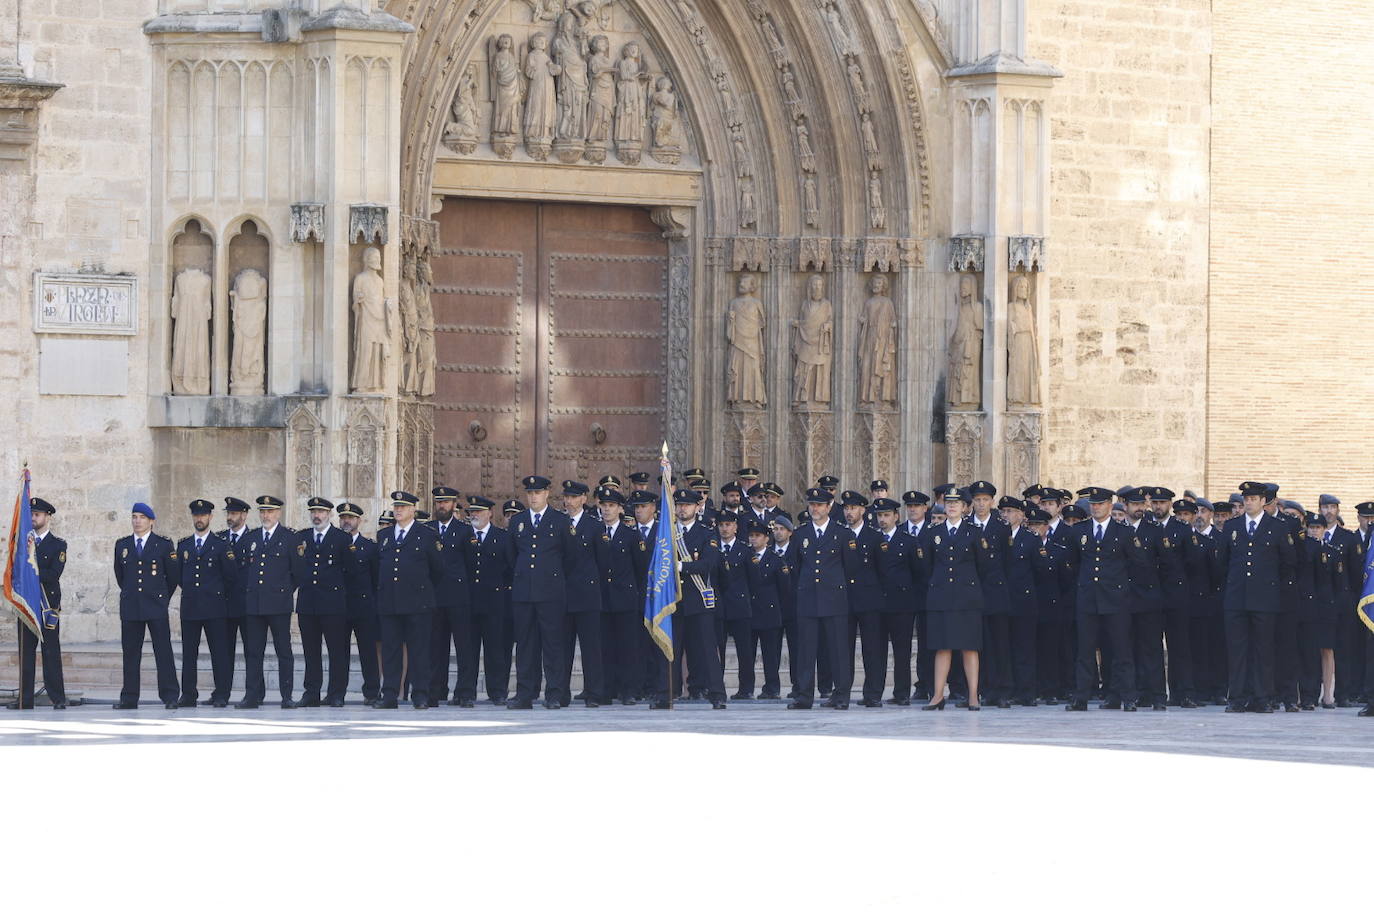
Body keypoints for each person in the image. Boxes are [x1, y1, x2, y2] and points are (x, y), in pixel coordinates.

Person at [1214, 481, 1297, 713]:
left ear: (1263, 501)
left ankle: (1262, 697)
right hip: (1236, 597)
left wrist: (1272, 588)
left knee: (1264, 649)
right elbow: (1222, 562)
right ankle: (1238, 697)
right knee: (1237, 649)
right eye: (1246, 499)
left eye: (1253, 499)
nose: (1248, 502)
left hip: (1265, 598)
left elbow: (1288, 563)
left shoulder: (1277, 527)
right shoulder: (1232, 526)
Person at [507, 475, 577, 709]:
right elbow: (511, 556)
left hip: (551, 594)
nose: (533, 496)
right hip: (524, 593)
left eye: (537, 492)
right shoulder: (517, 521)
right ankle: (525, 693)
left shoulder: (559, 521)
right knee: (526, 646)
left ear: (547, 493)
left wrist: (554, 580)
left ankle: (555, 693)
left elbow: (569, 557)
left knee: (553, 645)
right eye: (530, 493)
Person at [652, 488, 725, 709]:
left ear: (697, 507)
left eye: (687, 505)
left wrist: (681, 566)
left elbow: (709, 564)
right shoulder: (666, 532)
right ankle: (666, 694)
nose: (682, 509)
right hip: (672, 600)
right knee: (669, 649)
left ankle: (717, 695)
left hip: (698, 600)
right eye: (679, 505)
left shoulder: (706, 533)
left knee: (707, 650)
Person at [919, 488, 992, 710]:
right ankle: (938, 695)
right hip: (941, 597)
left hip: (966, 598)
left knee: (969, 648)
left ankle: (972, 696)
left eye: (956, 503)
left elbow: (983, 566)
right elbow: (927, 566)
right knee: (942, 648)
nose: (951, 507)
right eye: (948, 503)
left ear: (964, 507)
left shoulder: (974, 532)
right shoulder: (934, 532)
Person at [1065, 487, 1137, 711]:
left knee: (1120, 650)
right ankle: (1081, 697)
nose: (1096, 507)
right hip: (1088, 598)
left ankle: (1126, 697)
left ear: (1110, 505)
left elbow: (1135, 565)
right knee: (1085, 650)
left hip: (1115, 599)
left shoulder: (1123, 532)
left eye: (1100, 504)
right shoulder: (1079, 530)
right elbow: (1073, 562)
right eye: (1093, 504)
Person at [375, 491, 447, 709]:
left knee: (419, 651)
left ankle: (421, 693)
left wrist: (421, 590)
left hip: (418, 603)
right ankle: (389, 694)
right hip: (390, 602)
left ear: (413, 510)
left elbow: (438, 570)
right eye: (396, 506)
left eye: (403, 507)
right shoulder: (385, 536)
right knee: (391, 650)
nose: (398, 510)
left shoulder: (426, 535)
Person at [113, 502, 180, 709]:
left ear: (151, 521)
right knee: (131, 653)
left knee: (163, 652)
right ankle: (129, 697)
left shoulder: (163, 544)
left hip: (155, 606)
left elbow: (173, 576)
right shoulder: (122, 545)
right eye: (134, 517)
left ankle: (170, 696)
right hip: (131, 606)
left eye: (142, 517)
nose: (137, 521)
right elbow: (120, 576)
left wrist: (161, 598)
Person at [236, 496, 299, 709]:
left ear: (278, 513)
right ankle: (252, 696)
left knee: (284, 651)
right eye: (263, 511)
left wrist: (283, 591)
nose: (266, 515)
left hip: (279, 604)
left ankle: (287, 696)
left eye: (270, 511)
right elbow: (243, 570)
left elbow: (297, 572)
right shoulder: (251, 538)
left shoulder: (289, 538)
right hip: (254, 604)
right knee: (253, 652)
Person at [176, 499, 239, 708]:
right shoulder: (183, 545)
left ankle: (221, 694)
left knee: (219, 653)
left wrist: (216, 595)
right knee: (189, 654)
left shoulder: (221, 545)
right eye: (196, 515)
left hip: (215, 607)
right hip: (191, 607)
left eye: (203, 515)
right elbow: (178, 576)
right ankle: (188, 694)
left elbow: (230, 576)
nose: (199, 519)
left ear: (211, 517)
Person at [9, 496, 67, 710]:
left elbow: (53, 574)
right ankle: (25, 700)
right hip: (27, 605)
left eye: (37, 515)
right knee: (26, 653)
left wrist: (31, 567)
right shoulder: (22, 543)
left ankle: (58, 698)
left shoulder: (58, 545)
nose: (33, 518)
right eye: (31, 514)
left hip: (46, 607)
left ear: (47, 517)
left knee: (51, 652)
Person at [295, 497, 352, 707]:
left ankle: (336, 693)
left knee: (336, 651)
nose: (316, 516)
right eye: (313, 512)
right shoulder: (301, 537)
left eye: (321, 512)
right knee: (311, 652)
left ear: (329, 514)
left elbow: (350, 572)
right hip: (308, 603)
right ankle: (311, 692)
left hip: (333, 604)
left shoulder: (341, 539)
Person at [459, 496, 514, 706]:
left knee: (495, 650)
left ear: (490, 513)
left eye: (479, 511)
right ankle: (466, 692)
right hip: (469, 601)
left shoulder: (501, 537)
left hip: (494, 602)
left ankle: (497, 691)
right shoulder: (464, 536)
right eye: (472, 511)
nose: (475, 515)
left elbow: (510, 566)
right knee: (468, 650)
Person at [596, 488, 647, 705]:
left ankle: (628, 690)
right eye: (603, 506)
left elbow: (640, 568)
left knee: (628, 647)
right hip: (602, 599)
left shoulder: (632, 535)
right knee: (605, 647)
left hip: (625, 599)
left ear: (619, 509)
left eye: (611, 506)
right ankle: (607, 689)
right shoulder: (596, 532)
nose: (606, 510)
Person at [559, 480, 607, 707]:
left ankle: (593, 692)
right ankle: (561, 692)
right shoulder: (558, 523)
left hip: (588, 596)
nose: (569, 501)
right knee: (562, 648)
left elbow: (602, 561)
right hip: (564, 595)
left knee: (591, 648)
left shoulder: (594, 526)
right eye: (566, 497)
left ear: (583, 499)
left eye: (573, 497)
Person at [428, 485, 474, 705]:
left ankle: (464, 692)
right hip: (435, 598)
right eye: (438, 502)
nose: (442, 506)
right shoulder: (427, 530)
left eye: (445, 502)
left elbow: (472, 565)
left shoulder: (465, 531)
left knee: (464, 647)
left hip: (459, 598)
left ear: (454, 504)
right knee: (436, 648)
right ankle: (436, 691)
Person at [840, 490, 886, 707]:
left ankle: (873, 693)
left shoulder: (875, 537)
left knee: (872, 648)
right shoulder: (839, 535)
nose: (850, 512)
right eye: (847, 508)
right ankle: (842, 692)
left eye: (854, 508)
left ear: (863, 510)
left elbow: (882, 571)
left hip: (869, 600)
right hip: (845, 600)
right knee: (843, 649)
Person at [872, 497, 919, 705]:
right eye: (879, 515)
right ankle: (874, 693)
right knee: (877, 651)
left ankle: (902, 694)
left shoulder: (907, 541)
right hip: (879, 604)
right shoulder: (873, 540)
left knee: (902, 651)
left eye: (886, 515)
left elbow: (918, 571)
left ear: (896, 516)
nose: (882, 519)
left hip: (902, 604)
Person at [337, 502, 382, 706]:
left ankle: (372, 691)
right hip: (340, 606)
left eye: (351, 518)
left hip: (364, 607)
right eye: (343, 517)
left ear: (359, 521)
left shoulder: (370, 547)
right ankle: (337, 693)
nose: (346, 521)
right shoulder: (334, 544)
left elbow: (376, 579)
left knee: (368, 653)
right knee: (339, 653)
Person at [1296, 512, 1340, 709]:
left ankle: (1328, 695)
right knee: (1307, 651)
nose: (1314, 531)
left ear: (1324, 530)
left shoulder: (1332, 551)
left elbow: (1338, 582)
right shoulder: (1303, 550)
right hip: (1307, 606)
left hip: (1327, 607)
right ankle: (1307, 695)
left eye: (1318, 528)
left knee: (1327, 649)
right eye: (1311, 527)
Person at [743, 518, 786, 700]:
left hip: (770, 612)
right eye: (751, 536)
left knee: (771, 654)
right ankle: (746, 688)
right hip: (750, 611)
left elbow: (784, 588)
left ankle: (772, 688)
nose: (754, 539)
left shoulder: (775, 559)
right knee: (747, 654)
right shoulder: (744, 557)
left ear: (767, 538)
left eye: (758, 536)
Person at [715, 509, 755, 699]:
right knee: (717, 650)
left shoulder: (745, 550)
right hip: (719, 607)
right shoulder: (712, 548)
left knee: (745, 651)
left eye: (728, 525)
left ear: (736, 527)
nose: (725, 529)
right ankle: (717, 687)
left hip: (740, 606)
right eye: (721, 525)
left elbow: (752, 579)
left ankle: (746, 688)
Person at [216, 496, 252, 700]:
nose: (230, 517)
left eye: (234, 514)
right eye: (228, 513)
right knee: (224, 653)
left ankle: (252, 693)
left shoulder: (254, 538)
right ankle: (222, 693)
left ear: (244, 515)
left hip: (247, 605)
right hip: (224, 604)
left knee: (251, 652)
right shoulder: (220, 539)